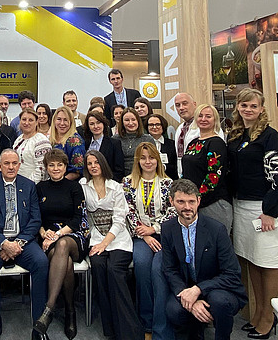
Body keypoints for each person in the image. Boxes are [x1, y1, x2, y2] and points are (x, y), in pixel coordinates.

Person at [227, 88, 278, 339]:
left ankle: (269, 316)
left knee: (269, 263)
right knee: (252, 260)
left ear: (261, 108)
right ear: (238, 107)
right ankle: (259, 311)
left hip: (265, 208)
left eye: (253, 106)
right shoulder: (238, 134)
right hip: (241, 206)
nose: (248, 110)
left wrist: (270, 211)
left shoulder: (270, 136)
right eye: (244, 106)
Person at [0, 149, 49, 340]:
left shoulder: (29, 185)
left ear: (19, 164)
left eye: (14, 163)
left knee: (41, 263)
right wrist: (3, 244)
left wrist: (16, 244)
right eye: (6, 163)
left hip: (22, 240)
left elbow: (35, 219)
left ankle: (39, 326)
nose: (10, 167)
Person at [162, 179, 247, 340]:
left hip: (218, 288)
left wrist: (198, 289)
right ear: (171, 201)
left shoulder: (217, 229)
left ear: (199, 201)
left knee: (219, 302)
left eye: (191, 201)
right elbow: (170, 269)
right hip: (187, 288)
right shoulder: (168, 229)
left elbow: (232, 273)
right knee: (174, 310)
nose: (187, 207)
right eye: (181, 201)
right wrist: (191, 299)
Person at [80, 150, 143, 340]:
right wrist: (97, 243)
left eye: (96, 162)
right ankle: (109, 328)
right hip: (96, 237)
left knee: (114, 270)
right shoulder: (82, 186)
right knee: (99, 266)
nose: (93, 166)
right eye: (89, 163)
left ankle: (129, 331)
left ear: (103, 164)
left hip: (118, 238)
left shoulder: (116, 187)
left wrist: (105, 243)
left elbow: (119, 220)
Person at [34, 149, 88, 339]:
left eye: (60, 165)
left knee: (63, 245)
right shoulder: (40, 187)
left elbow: (78, 219)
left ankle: (48, 309)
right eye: (52, 165)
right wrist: (43, 233)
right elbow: (35, 217)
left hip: (72, 235)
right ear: (46, 167)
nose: (56, 168)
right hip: (47, 236)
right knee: (64, 263)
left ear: (65, 167)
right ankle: (70, 311)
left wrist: (57, 234)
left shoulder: (74, 187)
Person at [123, 142, 175, 340]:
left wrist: (154, 229)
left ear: (158, 160)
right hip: (139, 236)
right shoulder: (127, 183)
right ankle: (146, 323)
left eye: (151, 157)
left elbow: (173, 212)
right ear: (137, 161)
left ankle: (161, 328)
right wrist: (144, 234)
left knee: (159, 271)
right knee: (143, 267)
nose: (147, 161)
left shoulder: (168, 183)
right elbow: (127, 211)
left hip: (163, 235)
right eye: (143, 158)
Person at [182, 104, 232, 233]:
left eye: (208, 116)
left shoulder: (216, 143)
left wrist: (196, 198)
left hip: (213, 203)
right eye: (200, 116)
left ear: (215, 120)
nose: (203, 119)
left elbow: (213, 177)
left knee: (215, 244)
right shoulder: (193, 143)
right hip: (193, 203)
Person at [174, 92, 225, 176]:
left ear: (194, 104)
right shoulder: (180, 129)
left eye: (185, 103)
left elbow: (216, 166)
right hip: (185, 178)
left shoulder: (211, 129)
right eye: (177, 105)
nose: (181, 108)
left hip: (203, 180)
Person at [82, 110, 124, 182]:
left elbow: (119, 171)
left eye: (98, 123)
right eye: (92, 124)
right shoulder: (85, 144)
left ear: (103, 124)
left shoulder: (114, 144)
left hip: (108, 184)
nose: (96, 126)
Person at [13, 108, 52, 184]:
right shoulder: (19, 139)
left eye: (31, 120)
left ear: (37, 122)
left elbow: (42, 170)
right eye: (24, 119)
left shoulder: (41, 141)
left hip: (34, 186)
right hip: (18, 183)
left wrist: (28, 185)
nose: (26, 123)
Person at [113, 107, 153, 177]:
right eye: (127, 120)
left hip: (143, 176)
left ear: (138, 121)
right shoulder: (115, 139)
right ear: (122, 122)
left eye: (133, 119)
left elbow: (153, 161)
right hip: (120, 178)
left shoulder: (148, 139)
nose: (130, 123)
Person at [49, 106, 85, 180]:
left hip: (68, 183)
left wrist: (60, 182)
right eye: (59, 119)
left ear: (71, 122)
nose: (62, 123)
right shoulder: (50, 139)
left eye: (65, 120)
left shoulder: (75, 141)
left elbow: (77, 170)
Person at [147, 114, 178, 180]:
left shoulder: (172, 144)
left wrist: (164, 167)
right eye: (151, 125)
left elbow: (176, 166)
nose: (154, 127)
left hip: (168, 179)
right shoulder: (144, 144)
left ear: (163, 126)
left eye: (158, 124)